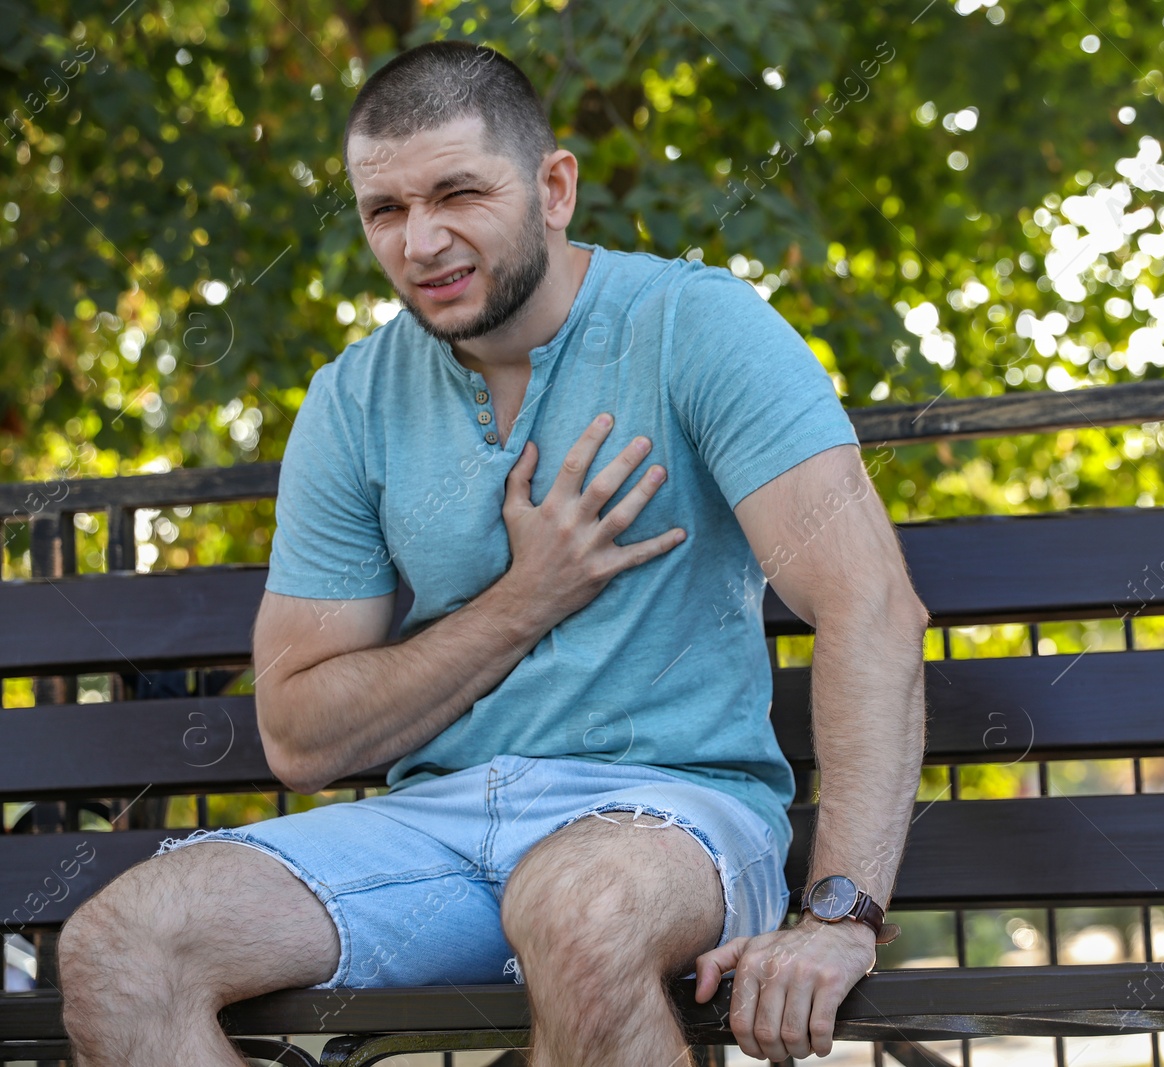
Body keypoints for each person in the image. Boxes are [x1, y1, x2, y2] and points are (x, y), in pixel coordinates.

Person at [55, 39, 928, 1067]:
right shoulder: (352, 400)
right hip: (436, 826)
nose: (420, 241)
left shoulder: (696, 325)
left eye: (458, 193)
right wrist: (527, 596)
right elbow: (299, 734)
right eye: (385, 209)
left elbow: (869, 605)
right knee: (120, 947)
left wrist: (837, 917)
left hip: (669, 815)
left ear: (553, 186)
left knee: (576, 906)